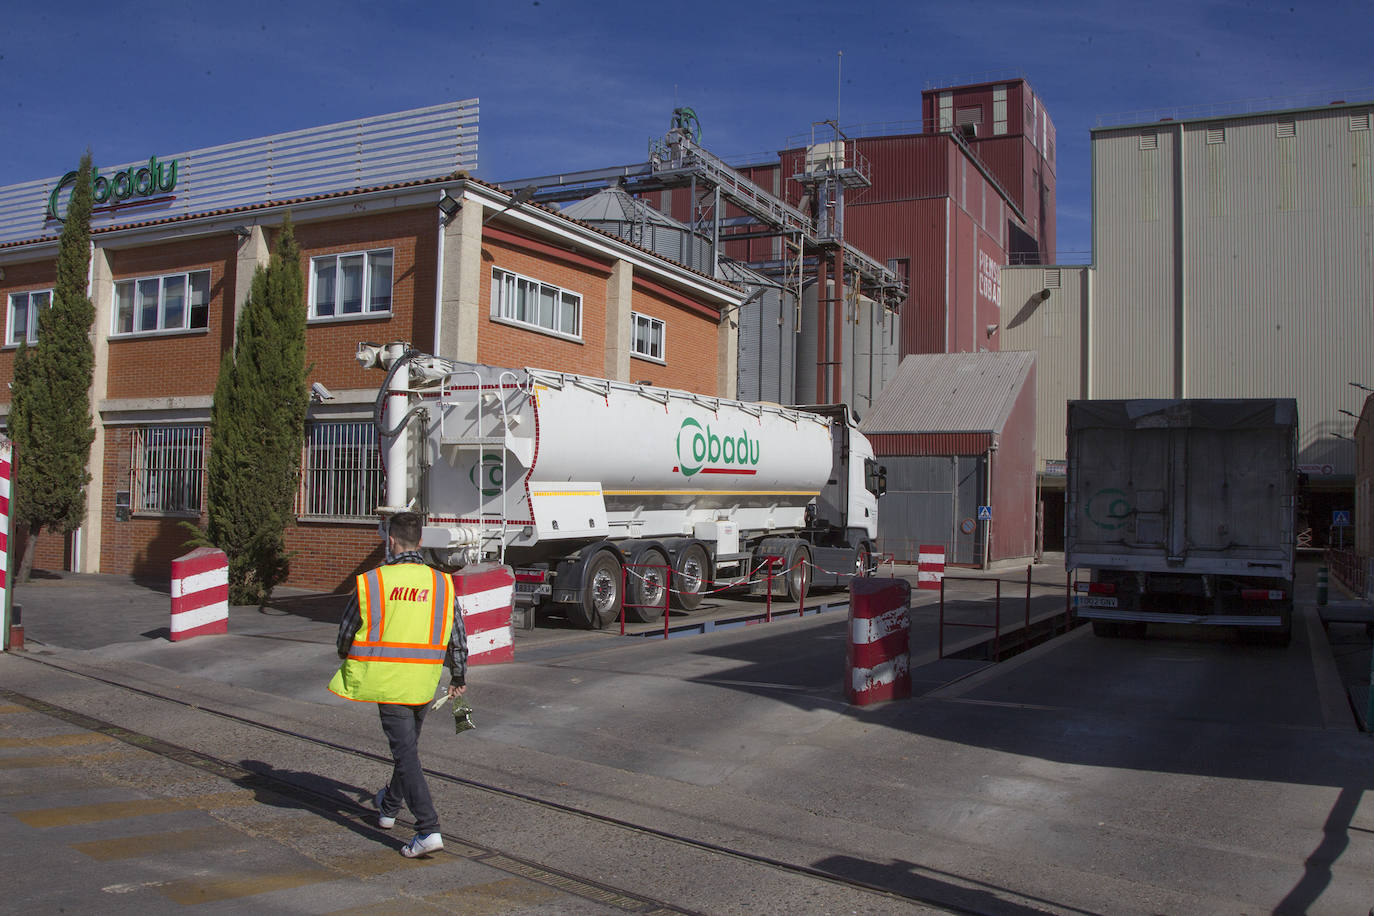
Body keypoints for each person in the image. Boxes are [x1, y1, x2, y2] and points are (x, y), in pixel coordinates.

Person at [328, 512, 468, 858]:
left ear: (391, 541)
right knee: (406, 749)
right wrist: (458, 676)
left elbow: (346, 633)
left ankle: (428, 829)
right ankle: (389, 807)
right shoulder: (442, 584)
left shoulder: (372, 581)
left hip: (388, 681)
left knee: (405, 754)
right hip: (423, 682)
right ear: (420, 542)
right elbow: (457, 635)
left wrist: (348, 655)